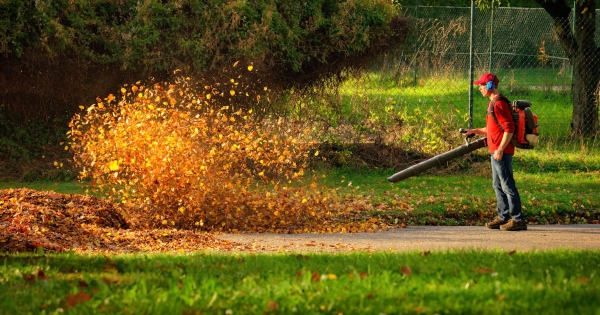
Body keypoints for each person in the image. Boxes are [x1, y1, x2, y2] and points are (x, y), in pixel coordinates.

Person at [464, 73, 527, 231]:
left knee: (507, 185)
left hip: (501, 152)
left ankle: (518, 219)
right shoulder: (493, 103)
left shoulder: (498, 104)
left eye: (482, 85)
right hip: (496, 151)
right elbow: (493, 128)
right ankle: (502, 216)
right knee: (497, 185)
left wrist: (500, 149)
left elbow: (509, 128)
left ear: (490, 86)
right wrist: (475, 130)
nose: (479, 88)